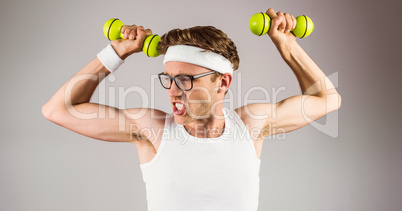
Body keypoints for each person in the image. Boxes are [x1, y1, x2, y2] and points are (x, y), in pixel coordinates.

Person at [42, 8, 341, 211]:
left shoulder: (251, 125)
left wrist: (288, 46)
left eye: (185, 80)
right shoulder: (152, 130)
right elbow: (57, 110)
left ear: (222, 82)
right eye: (168, 79)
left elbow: (328, 100)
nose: (172, 90)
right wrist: (116, 52)